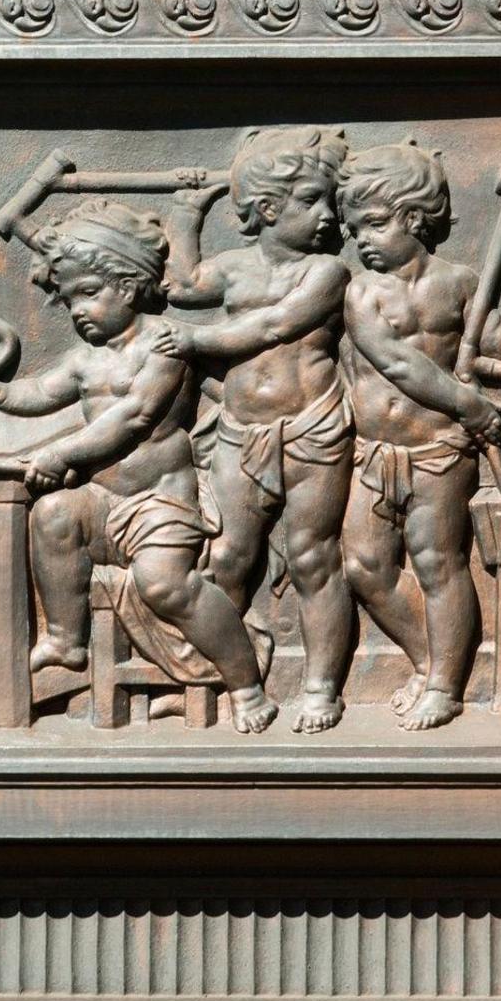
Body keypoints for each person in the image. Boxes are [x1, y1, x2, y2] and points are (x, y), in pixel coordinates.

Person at [0, 200, 280, 734]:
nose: (78, 310)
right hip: (102, 499)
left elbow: (134, 417)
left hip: (161, 504)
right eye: (69, 300)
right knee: (54, 515)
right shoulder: (84, 358)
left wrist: (63, 453)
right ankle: (67, 641)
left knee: (164, 584)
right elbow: (42, 392)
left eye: (89, 293)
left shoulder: (165, 345)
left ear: (131, 285)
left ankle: (245, 684)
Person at [336, 143, 501, 730]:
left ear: (415, 218)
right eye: (354, 227)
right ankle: (425, 658)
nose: (361, 239)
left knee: (440, 565)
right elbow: (395, 363)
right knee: (364, 566)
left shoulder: (461, 283)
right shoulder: (361, 292)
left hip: (439, 455)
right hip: (375, 455)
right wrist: (471, 404)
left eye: (374, 223)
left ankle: (445, 684)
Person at [164, 126, 357, 733]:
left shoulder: (327, 275)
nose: (330, 217)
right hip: (240, 434)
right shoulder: (233, 268)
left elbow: (276, 326)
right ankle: (224, 675)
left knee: (312, 558)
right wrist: (186, 215)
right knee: (227, 556)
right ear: (267, 209)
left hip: (313, 434)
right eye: (311, 201)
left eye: (331, 202)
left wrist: (198, 339)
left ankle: (321, 686)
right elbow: (179, 285)